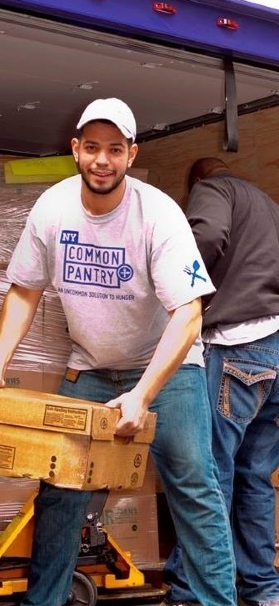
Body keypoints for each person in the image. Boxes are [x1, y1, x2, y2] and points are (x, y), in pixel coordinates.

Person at [0, 98, 236, 606]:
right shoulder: (53, 208)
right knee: (61, 491)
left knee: (195, 490)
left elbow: (189, 313)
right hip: (91, 368)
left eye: (115, 149)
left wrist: (142, 395)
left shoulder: (159, 214)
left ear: (131, 155)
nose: (102, 160)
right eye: (92, 147)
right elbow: (25, 289)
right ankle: (43, 601)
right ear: (75, 149)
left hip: (169, 371)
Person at [164, 158, 279, 606]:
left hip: (238, 345)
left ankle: (193, 587)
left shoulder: (215, 191)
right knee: (255, 476)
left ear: (197, 183)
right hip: (276, 348)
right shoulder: (270, 206)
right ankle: (263, 588)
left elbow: (206, 236)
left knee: (209, 470)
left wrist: (181, 295)